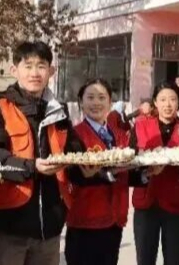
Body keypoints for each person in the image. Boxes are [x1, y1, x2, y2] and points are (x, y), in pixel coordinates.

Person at [0, 41, 72, 265]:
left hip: (49, 230)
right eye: (28, 66)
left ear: (51, 71)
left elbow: (73, 150)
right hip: (7, 228)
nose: (34, 73)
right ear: (14, 70)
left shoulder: (59, 112)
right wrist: (32, 167)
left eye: (41, 66)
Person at [64, 79, 130, 265]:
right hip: (85, 222)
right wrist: (107, 174)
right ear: (81, 102)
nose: (96, 103)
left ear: (110, 102)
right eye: (90, 97)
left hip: (114, 220)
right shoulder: (74, 134)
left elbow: (126, 171)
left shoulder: (119, 135)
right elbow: (73, 173)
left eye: (102, 98)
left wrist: (145, 174)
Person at [129, 83, 179, 265]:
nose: (168, 104)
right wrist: (146, 172)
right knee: (145, 260)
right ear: (155, 102)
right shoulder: (140, 126)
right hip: (146, 203)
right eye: (162, 99)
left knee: (174, 260)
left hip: (176, 203)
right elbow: (130, 163)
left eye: (172, 99)